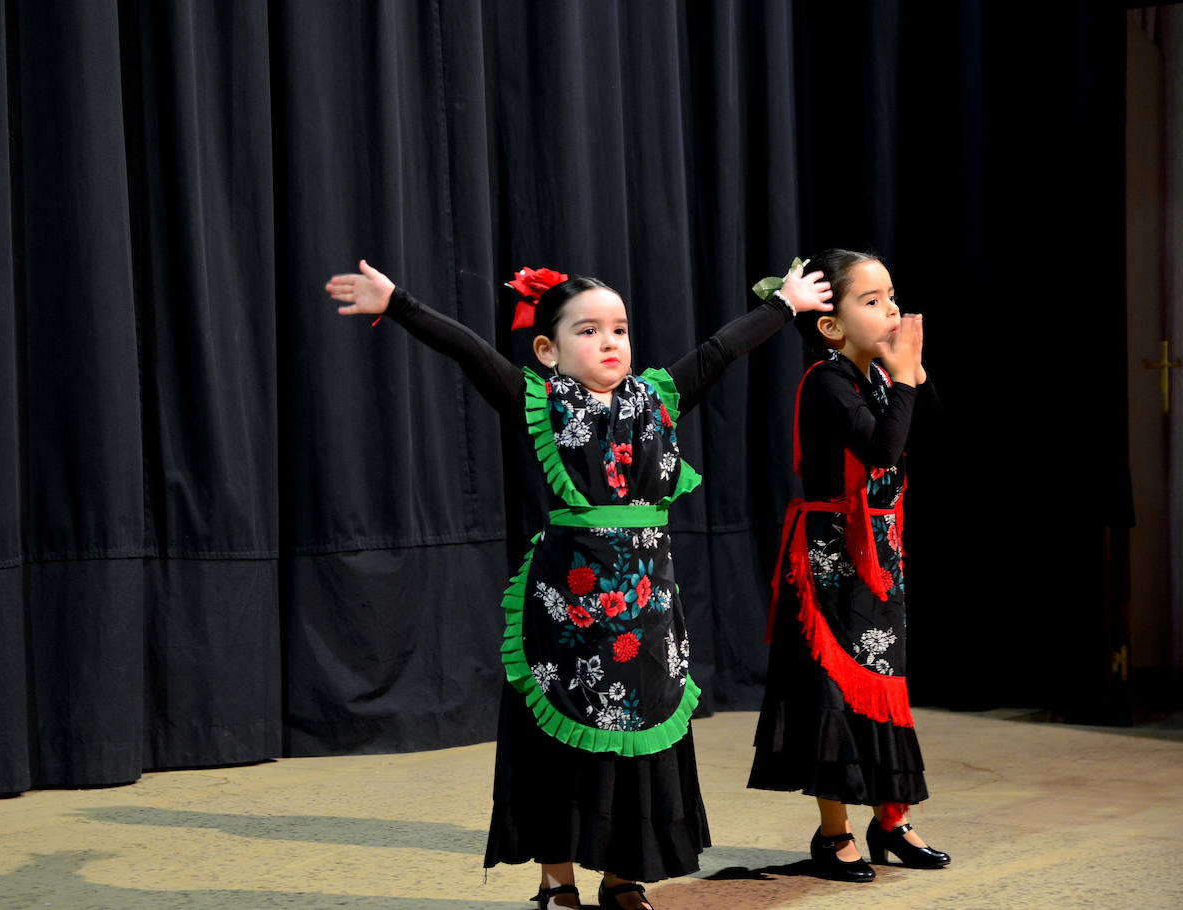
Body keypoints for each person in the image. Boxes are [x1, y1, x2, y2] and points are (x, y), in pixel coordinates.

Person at [327, 259, 831, 910]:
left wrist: (784, 305)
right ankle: (557, 881)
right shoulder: (540, 400)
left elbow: (720, 349)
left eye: (619, 329)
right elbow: (470, 352)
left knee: (638, 738)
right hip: (569, 611)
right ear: (549, 350)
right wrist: (399, 303)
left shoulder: (657, 398)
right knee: (561, 738)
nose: (609, 342)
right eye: (588, 331)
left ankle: (624, 876)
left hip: (646, 612)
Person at [746, 248, 949, 882]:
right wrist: (905, 377)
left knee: (886, 684)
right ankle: (832, 833)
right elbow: (883, 449)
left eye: (891, 296)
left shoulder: (883, 378)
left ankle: (892, 820)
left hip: (880, 554)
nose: (891, 308)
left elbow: (930, 430)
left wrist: (911, 374)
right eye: (872, 300)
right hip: (829, 558)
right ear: (831, 326)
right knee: (829, 692)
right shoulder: (826, 381)